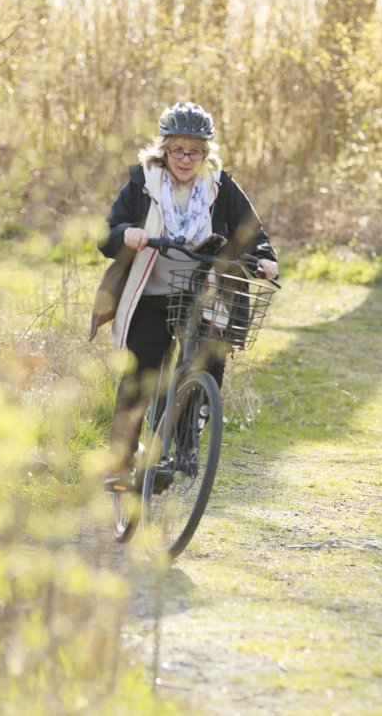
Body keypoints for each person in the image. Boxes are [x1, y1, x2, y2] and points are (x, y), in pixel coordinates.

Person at [94, 102, 278, 487]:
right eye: (178, 149)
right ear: (164, 150)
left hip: (203, 295)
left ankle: (182, 448)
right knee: (140, 374)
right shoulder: (143, 183)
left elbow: (251, 233)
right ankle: (121, 462)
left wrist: (263, 258)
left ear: (206, 153)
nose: (186, 158)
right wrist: (126, 233)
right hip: (152, 295)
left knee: (208, 365)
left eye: (195, 151)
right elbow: (108, 233)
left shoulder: (220, 186)